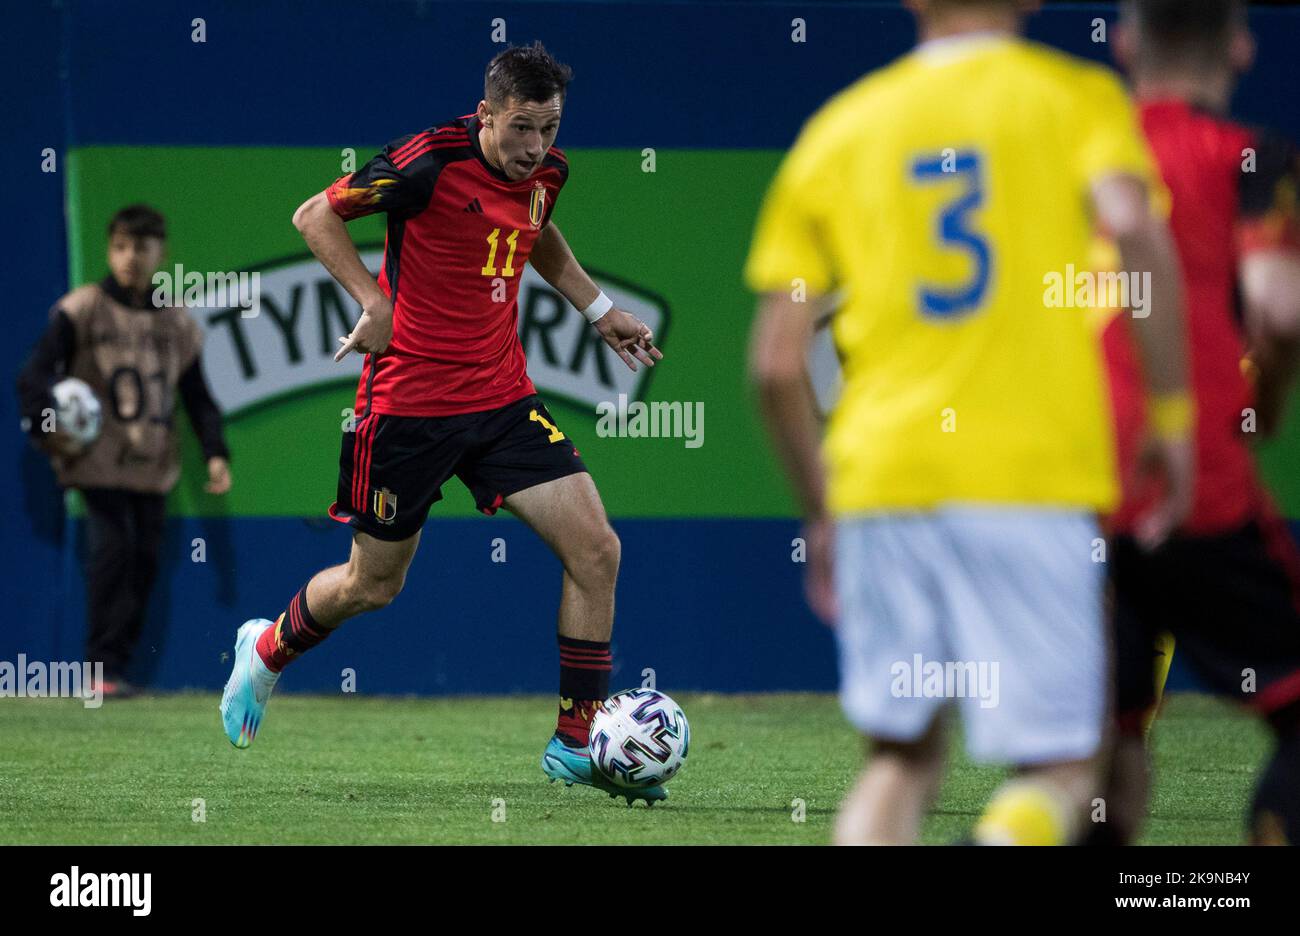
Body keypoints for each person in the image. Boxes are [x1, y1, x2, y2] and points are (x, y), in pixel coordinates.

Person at [746, 0, 1191, 844]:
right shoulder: (1075, 98)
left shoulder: (840, 130)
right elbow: (1133, 225)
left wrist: (822, 508)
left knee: (901, 760)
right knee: (1062, 766)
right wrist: (1171, 413)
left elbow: (775, 364)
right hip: (1028, 476)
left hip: (883, 478)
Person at [218, 42, 664, 804]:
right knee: (372, 585)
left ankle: (573, 741)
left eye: (550, 128)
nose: (535, 149)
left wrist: (598, 310)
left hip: (501, 400)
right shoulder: (429, 160)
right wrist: (374, 299)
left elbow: (537, 230)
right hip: (407, 409)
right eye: (521, 127)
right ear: (487, 113)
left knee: (597, 550)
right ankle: (263, 648)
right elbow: (315, 214)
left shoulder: (548, 172)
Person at [1094, 0, 1300, 845]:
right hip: (1196, 488)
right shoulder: (1250, 157)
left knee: (1097, 755)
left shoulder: (1067, 161)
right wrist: (1264, 406)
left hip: (1068, 491)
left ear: (1127, 40)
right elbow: (1279, 313)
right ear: (1243, 45)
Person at [17, 204, 232, 697]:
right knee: (111, 555)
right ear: (109, 250)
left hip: (153, 465)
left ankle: (116, 667)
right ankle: (100, 668)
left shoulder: (176, 323)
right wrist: (46, 424)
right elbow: (33, 375)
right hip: (97, 461)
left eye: (142, 246)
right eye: (120, 247)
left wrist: (215, 451)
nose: (130, 257)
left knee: (144, 562)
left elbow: (197, 396)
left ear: (162, 252)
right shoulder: (83, 309)